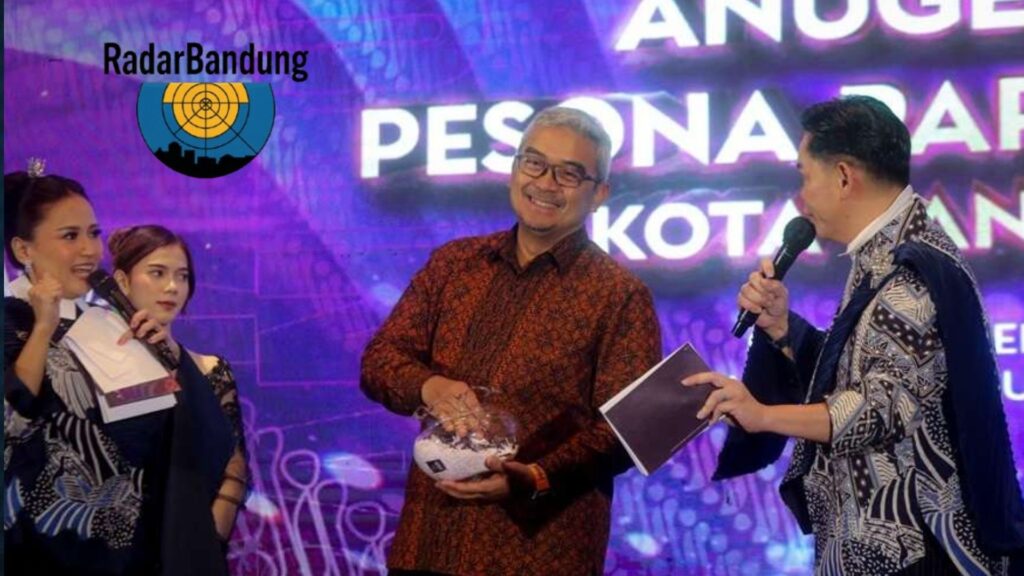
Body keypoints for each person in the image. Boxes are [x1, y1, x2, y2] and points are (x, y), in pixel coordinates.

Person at [683, 96, 1024, 575]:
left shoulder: (909, 275)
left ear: (843, 176)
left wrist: (762, 415)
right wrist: (783, 329)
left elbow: (880, 407)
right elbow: (861, 372)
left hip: (909, 553)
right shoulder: (888, 257)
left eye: (805, 176)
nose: (801, 197)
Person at [360, 106, 661, 575]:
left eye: (569, 173)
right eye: (534, 163)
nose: (546, 183)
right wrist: (430, 387)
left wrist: (533, 477)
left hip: (538, 554)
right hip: (428, 543)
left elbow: (630, 429)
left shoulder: (619, 295)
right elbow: (380, 360)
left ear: (599, 193)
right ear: (515, 169)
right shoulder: (454, 265)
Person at [3, 168, 235, 575]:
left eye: (93, 233)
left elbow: (196, 438)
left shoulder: (114, 324)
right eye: (70, 236)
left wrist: (169, 356)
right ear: (24, 249)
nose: (90, 250)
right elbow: (14, 417)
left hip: (133, 556)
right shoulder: (11, 322)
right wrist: (43, 326)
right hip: (39, 554)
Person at [107, 224, 248, 547]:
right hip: (115, 545)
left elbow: (235, 465)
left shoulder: (211, 370)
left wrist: (208, 539)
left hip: (190, 543)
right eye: (157, 273)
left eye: (182, 276)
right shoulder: (94, 365)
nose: (172, 287)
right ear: (122, 281)